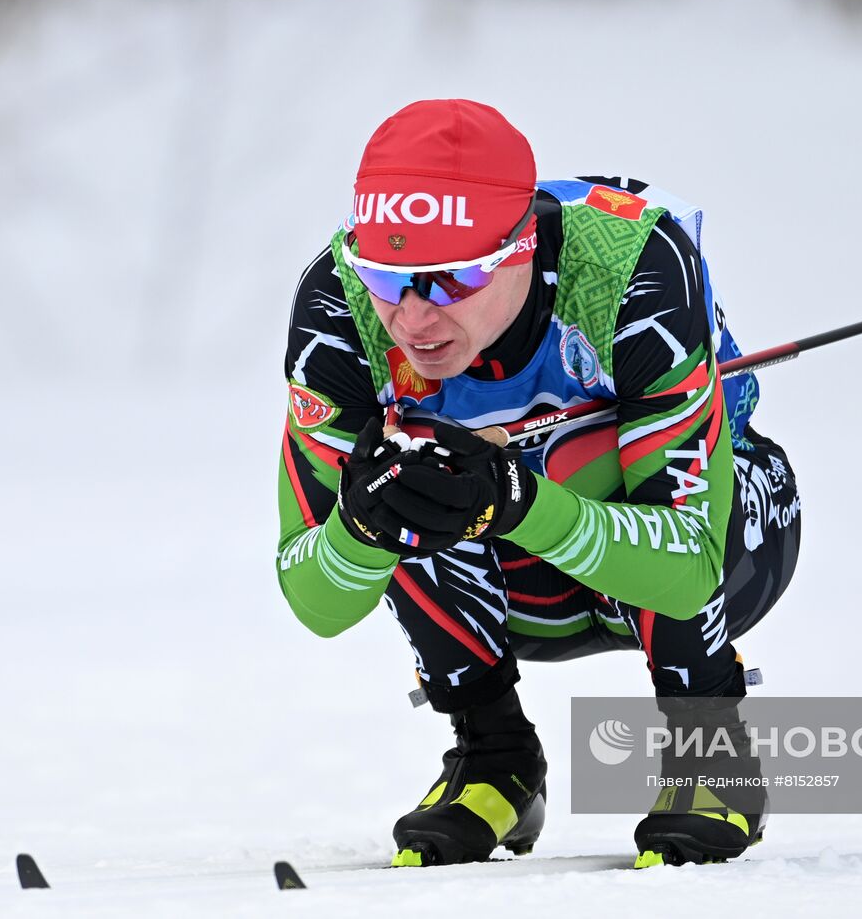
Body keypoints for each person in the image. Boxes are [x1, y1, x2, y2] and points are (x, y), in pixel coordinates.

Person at [275, 99, 802, 868]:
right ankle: (495, 758)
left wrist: (517, 497)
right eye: (389, 276)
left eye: (450, 281)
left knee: (577, 456)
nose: (413, 319)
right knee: (411, 475)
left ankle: (709, 743)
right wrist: (363, 525)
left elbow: (690, 564)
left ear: (520, 247)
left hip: (721, 542)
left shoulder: (632, 267)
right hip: (516, 585)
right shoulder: (338, 304)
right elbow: (314, 599)